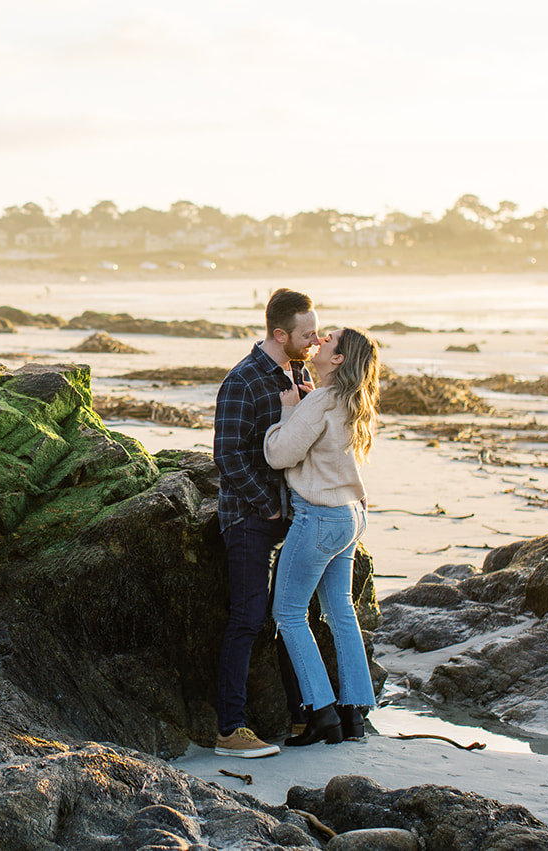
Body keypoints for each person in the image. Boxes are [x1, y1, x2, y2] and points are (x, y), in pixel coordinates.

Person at [212, 288, 320, 758]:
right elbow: (227, 456)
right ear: (280, 334)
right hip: (250, 518)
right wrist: (267, 506)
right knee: (248, 620)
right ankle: (230, 730)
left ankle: (303, 718)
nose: (316, 339)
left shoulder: (299, 372)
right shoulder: (243, 380)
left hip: (295, 514)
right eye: (307, 333)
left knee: (295, 616)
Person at [263, 327, 380, 746]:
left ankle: (322, 711)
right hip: (353, 514)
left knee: (289, 614)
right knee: (340, 612)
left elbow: (279, 454)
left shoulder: (318, 402)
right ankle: (354, 714)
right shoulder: (351, 402)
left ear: (338, 360)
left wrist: (290, 412)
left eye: (328, 339)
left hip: (320, 518)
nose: (319, 340)